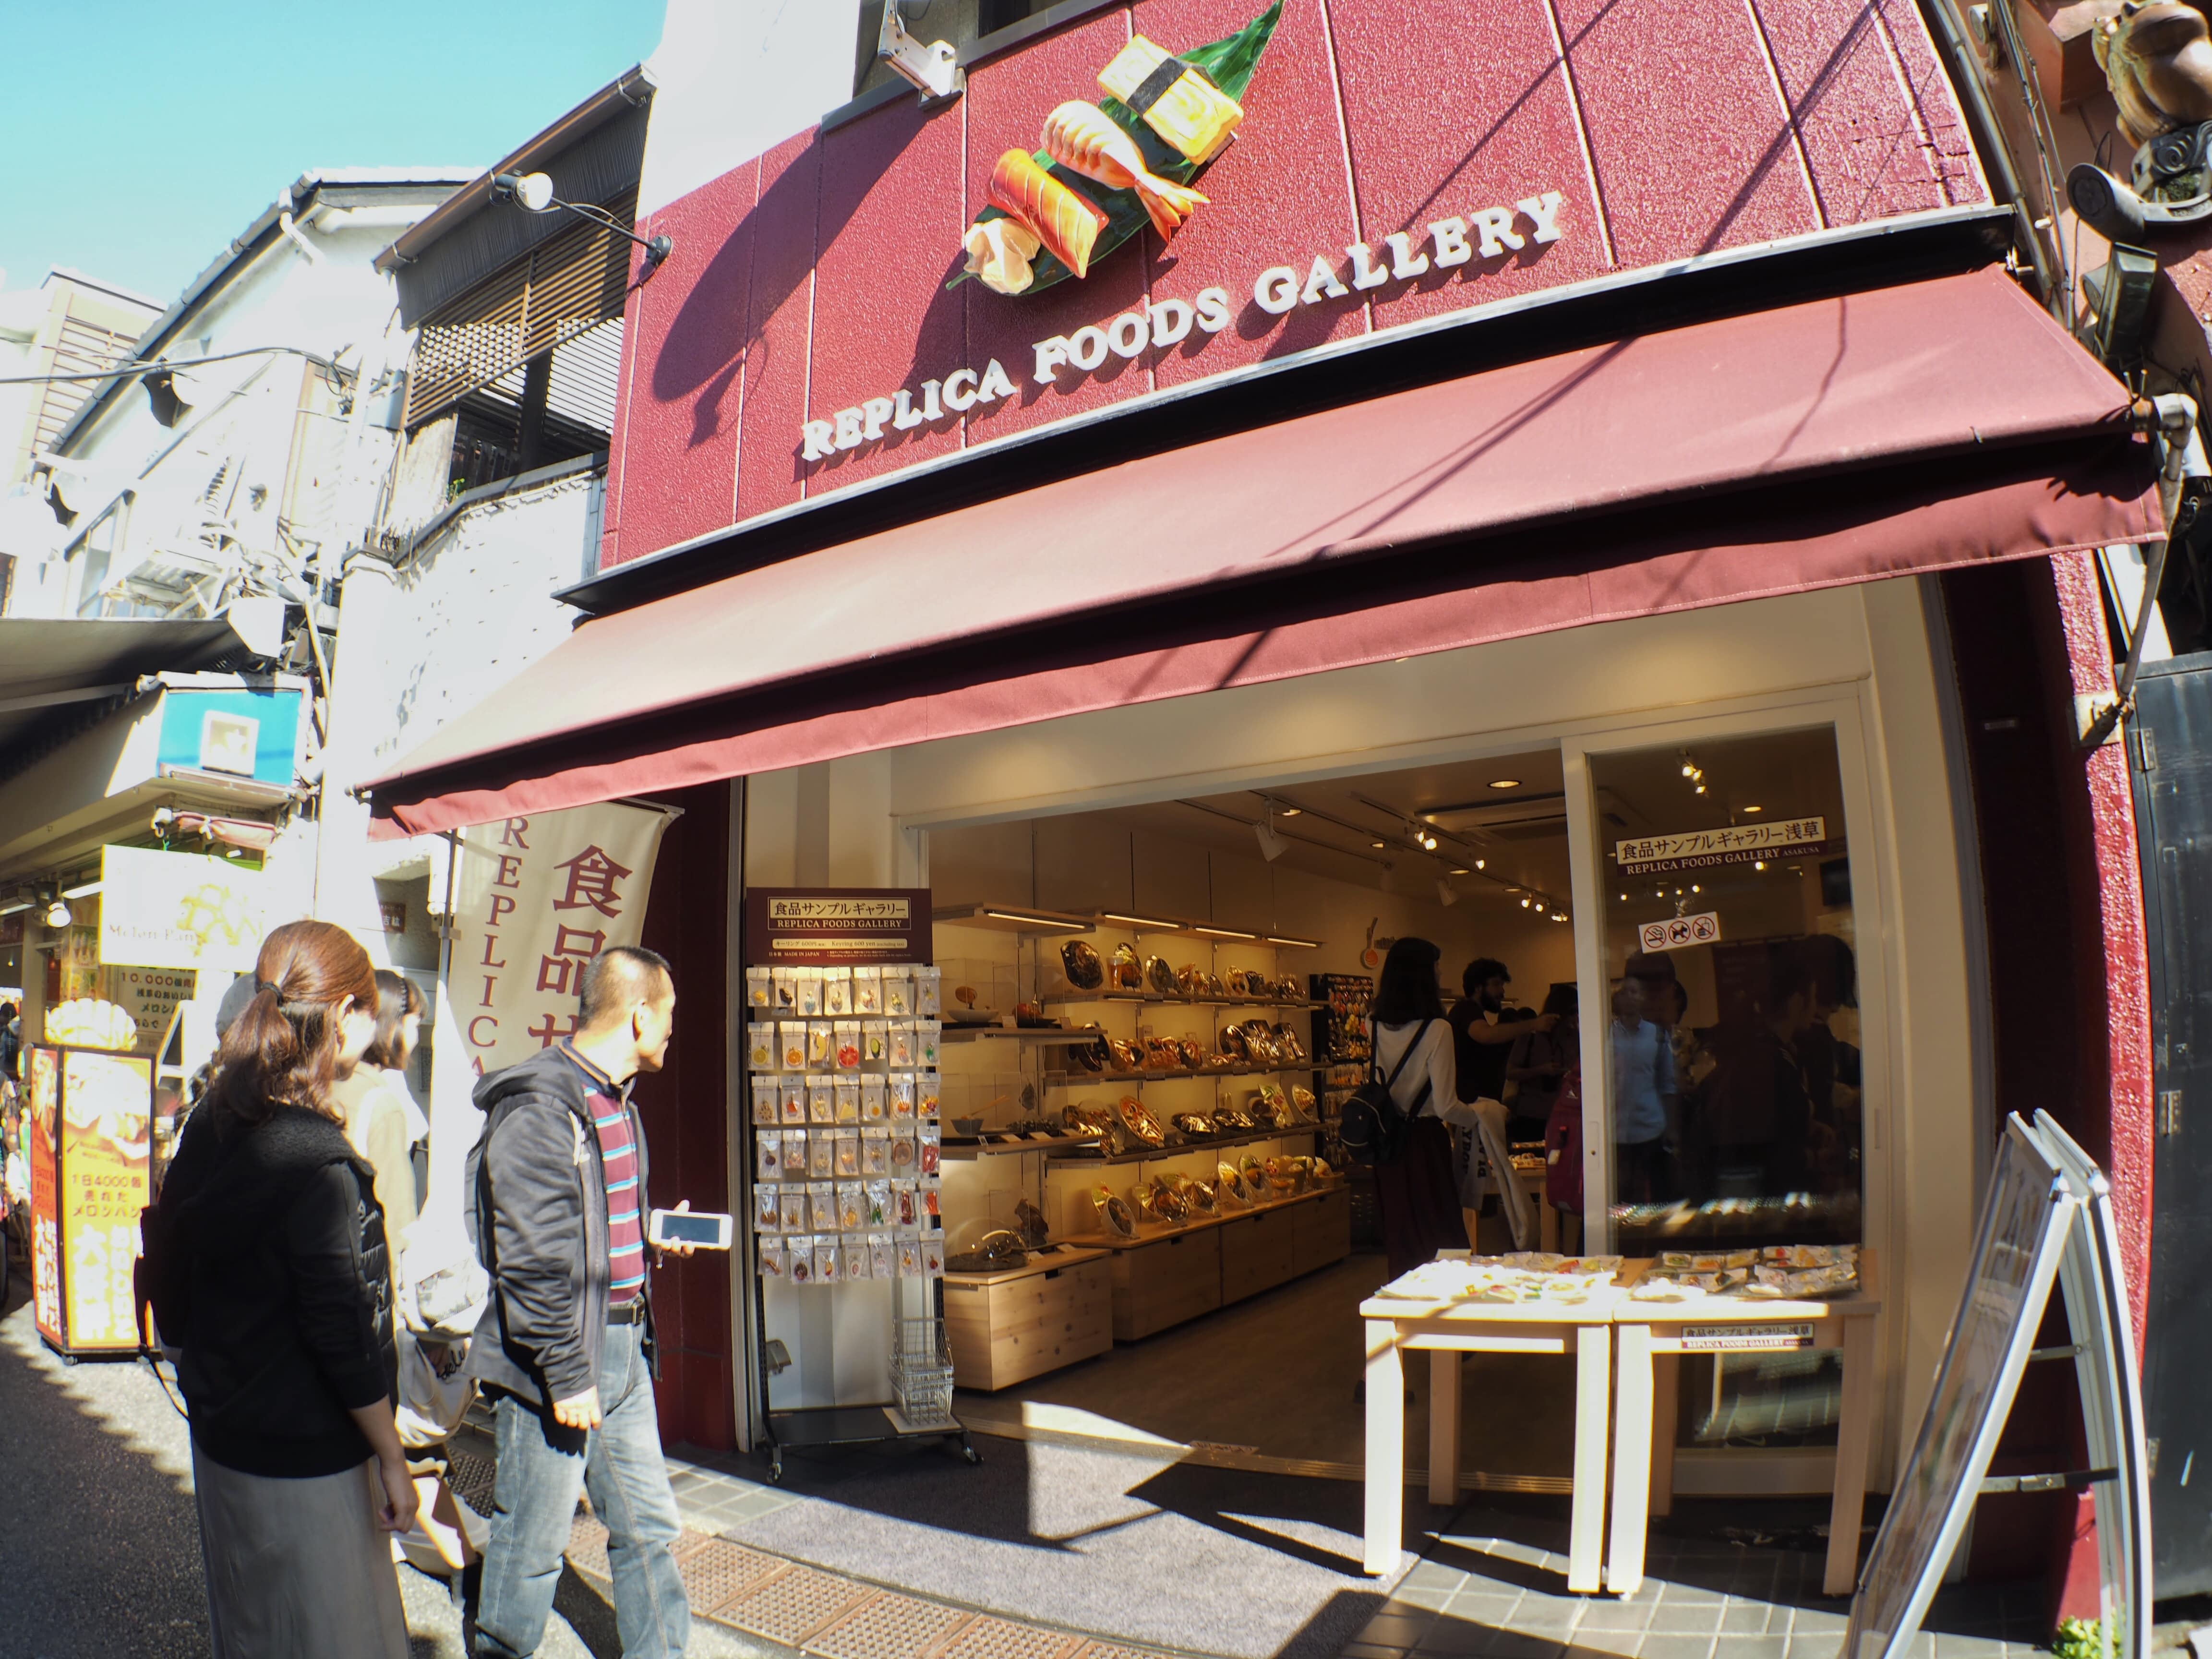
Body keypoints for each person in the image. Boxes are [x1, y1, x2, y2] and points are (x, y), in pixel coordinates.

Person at [152, 919, 416, 1659]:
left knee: (252, 1629)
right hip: (308, 1454)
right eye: (371, 1013)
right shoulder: (318, 1164)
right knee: (332, 1636)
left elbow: (174, 1259)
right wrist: (392, 1455)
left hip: (223, 1432)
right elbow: (342, 1329)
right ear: (344, 1016)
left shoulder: (211, 1120)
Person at [467, 945, 695, 1659]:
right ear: (636, 1015)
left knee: (648, 1528)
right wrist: (567, 1371)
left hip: (626, 1347)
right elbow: (530, 1258)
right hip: (559, 1355)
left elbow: (587, 1223)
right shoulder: (541, 1107)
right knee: (531, 1541)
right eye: (668, 1014)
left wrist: (650, 1235)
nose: (671, 1029)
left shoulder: (617, 1102)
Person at [1370, 938, 1506, 1277]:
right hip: (1424, 1142)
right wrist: (1482, 1114)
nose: (1440, 972)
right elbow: (1446, 1106)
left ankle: (1404, 1316)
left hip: (1387, 1144)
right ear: (1422, 976)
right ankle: (1450, 1317)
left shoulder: (1374, 1024)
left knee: (1402, 1237)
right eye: (1435, 967)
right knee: (1441, 1236)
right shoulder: (1438, 1030)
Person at [332, 971, 427, 1240]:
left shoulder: (324, 1082)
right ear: (390, 1024)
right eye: (415, 1024)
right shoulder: (380, 1101)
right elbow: (398, 1220)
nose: (417, 1038)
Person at [1609, 977, 1678, 1204]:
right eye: (1624, 992)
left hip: (1651, 1128)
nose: (1630, 997)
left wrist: (1671, 1129)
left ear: (1643, 998)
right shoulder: (1604, 1036)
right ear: (1615, 999)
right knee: (1620, 1198)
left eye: (1635, 992)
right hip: (1614, 1132)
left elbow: (1668, 1083)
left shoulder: (1657, 1035)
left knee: (1658, 1198)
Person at [1447, 958, 1549, 1108]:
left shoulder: (1469, 1012)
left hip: (1477, 1106)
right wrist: (1534, 1024)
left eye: (1502, 985)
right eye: (1496, 985)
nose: (1502, 992)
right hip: (1472, 1108)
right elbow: (1486, 1035)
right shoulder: (1465, 1010)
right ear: (1478, 988)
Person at [1504, 985, 1578, 1144]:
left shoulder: (1576, 1038)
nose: (1575, 1017)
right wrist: (1541, 1070)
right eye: (1572, 1012)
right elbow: (1510, 1072)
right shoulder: (1530, 1036)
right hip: (1531, 1114)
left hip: (1566, 1113)